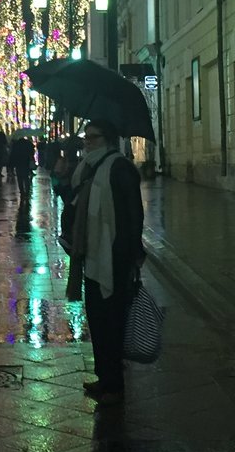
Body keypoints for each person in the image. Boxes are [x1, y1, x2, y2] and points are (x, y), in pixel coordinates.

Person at [53, 120, 144, 405]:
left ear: (108, 139)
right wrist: (60, 179)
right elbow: (72, 202)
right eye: (86, 137)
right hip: (91, 253)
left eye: (93, 137)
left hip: (113, 255)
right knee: (97, 319)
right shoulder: (87, 167)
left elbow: (133, 215)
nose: (87, 142)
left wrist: (129, 254)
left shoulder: (120, 168)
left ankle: (115, 385)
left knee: (113, 322)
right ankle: (104, 377)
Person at [9, 134, 36, 202]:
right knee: (26, 177)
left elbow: (13, 154)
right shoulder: (28, 143)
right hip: (26, 162)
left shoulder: (16, 144)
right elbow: (32, 150)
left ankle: (22, 191)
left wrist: (11, 164)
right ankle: (27, 191)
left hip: (18, 162)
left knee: (19, 178)